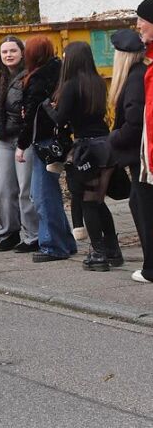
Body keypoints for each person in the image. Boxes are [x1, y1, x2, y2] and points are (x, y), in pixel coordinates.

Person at [56, 42, 119, 271]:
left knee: (88, 202)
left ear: (71, 59)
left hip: (86, 150)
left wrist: (48, 108)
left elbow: (60, 119)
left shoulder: (71, 86)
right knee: (99, 200)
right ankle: (113, 249)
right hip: (105, 146)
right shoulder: (97, 82)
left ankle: (98, 254)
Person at [16, 37, 75, 262]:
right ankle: (65, 241)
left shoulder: (38, 79)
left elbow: (31, 116)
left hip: (43, 142)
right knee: (50, 192)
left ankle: (53, 245)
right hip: (58, 140)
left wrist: (21, 145)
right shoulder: (60, 72)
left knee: (43, 195)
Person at [0, 36, 38, 253]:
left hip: (25, 139)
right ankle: (9, 231)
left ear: (22, 52)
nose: (8, 55)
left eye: (13, 51)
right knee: (2, 188)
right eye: (4, 52)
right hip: (3, 139)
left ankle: (33, 235)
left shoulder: (29, 75)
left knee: (26, 188)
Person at [106, 27, 150, 283]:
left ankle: (150, 268)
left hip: (139, 155)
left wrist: (112, 139)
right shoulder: (140, 73)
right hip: (139, 153)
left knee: (142, 206)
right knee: (138, 203)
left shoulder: (134, 78)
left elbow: (133, 123)